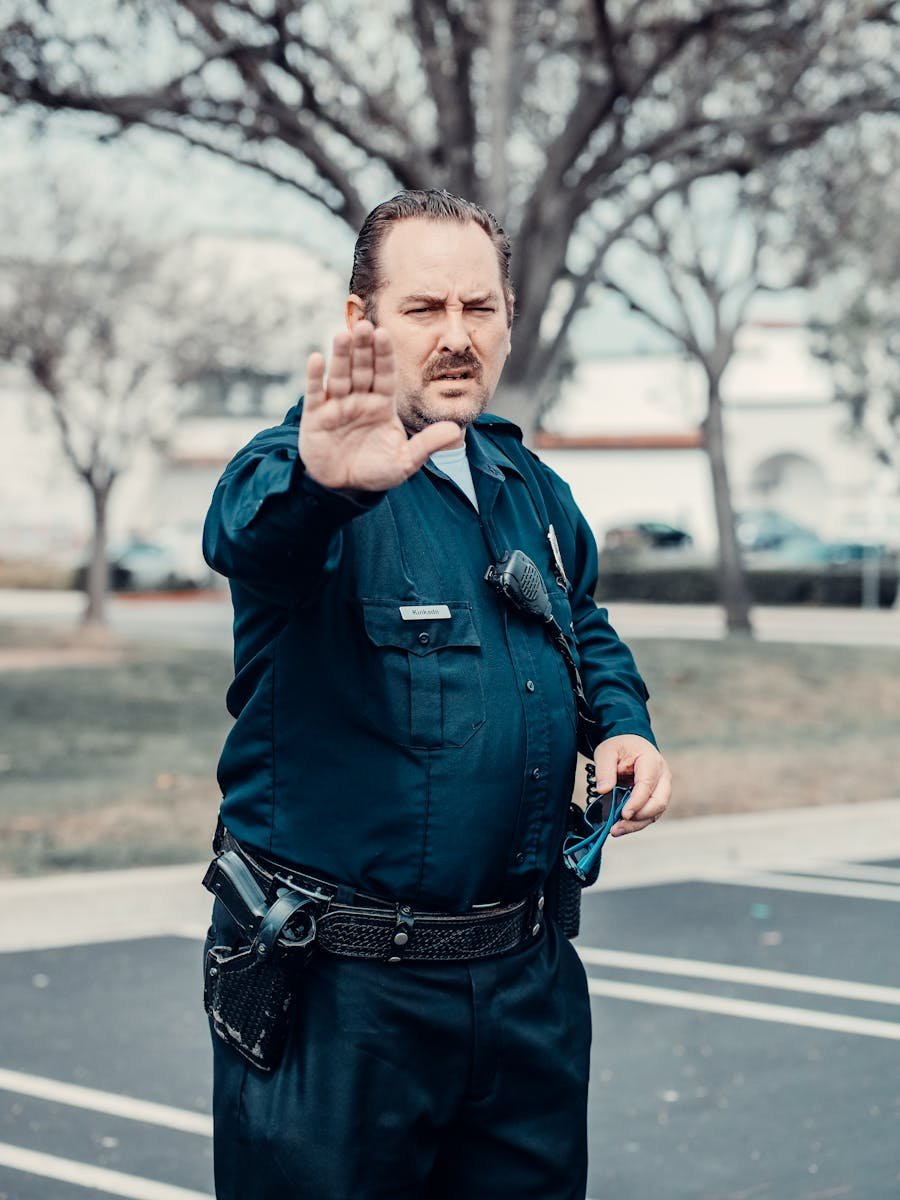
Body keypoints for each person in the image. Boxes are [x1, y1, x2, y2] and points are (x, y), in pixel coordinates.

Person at [202, 189, 671, 1200]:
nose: (458, 337)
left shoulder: (528, 485)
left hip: (524, 983)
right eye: (423, 310)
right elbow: (245, 533)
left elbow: (580, 622)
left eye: (480, 308)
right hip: (342, 996)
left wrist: (625, 726)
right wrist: (331, 485)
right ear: (360, 320)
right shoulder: (302, 466)